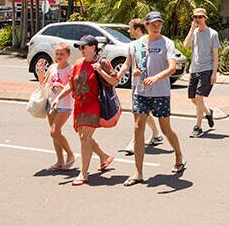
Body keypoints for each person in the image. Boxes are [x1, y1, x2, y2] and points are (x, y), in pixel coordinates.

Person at [123, 11, 185, 187]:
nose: (157, 27)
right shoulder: (138, 44)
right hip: (141, 92)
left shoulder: (167, 43)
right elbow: (136, 67)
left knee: (166, 129)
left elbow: (172, 67)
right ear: (147, 26)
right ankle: (138, 172)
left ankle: (179, 155)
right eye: (153, 24)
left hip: (161, 92)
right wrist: (136, 72)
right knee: (137, 128)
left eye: (159, 24)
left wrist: (156, 78)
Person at [51, 35, 117, 186]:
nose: (81, 50)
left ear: (93, 48)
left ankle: (83, 173)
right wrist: (58, 98)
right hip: (80, 105)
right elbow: (70, 85)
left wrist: (100, 71)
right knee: (83, 136)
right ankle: (104, 156)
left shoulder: (102, 62)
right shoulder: (78, 64)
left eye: (83, 47)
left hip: (93, 105)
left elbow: (114, 81)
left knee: (84, 138)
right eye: (80, 47)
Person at [117, 18, 164, 155]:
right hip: (136, 84)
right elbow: (127, 63)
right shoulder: (132, 45)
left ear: (137, 29)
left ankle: (134, 142)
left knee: (138, 115)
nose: (129, 31)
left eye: (130, 29)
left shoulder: (149, 43)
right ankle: (156, 134)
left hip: (149, 85)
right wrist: (118, 76)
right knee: (142, 112)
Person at [36, 43, 76, 171]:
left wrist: (62, 87)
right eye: (57, 54)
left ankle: (70, 154)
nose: (59, 56)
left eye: (62, 54)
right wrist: (41, 71)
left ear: (68, 55)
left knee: (54, 131)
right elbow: (43, 83)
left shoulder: (71, 69)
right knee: (55, 134)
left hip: (65, 104)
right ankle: (60, 161)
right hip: (51, 102)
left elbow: (73, 87)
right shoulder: (53, 67)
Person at [183, 8, 220, 138]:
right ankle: (208, 113)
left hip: (207, 69)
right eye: (195, 17)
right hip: (194, 69)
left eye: (200, 17)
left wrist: (214, 73)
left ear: (205, 18)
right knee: (193, 99)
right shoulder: (194, 33)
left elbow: (215, 55)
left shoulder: (213, 34)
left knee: (199, 98)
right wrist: (191, 29)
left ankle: (198, 126)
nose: (197, 19)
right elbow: (186, 46)